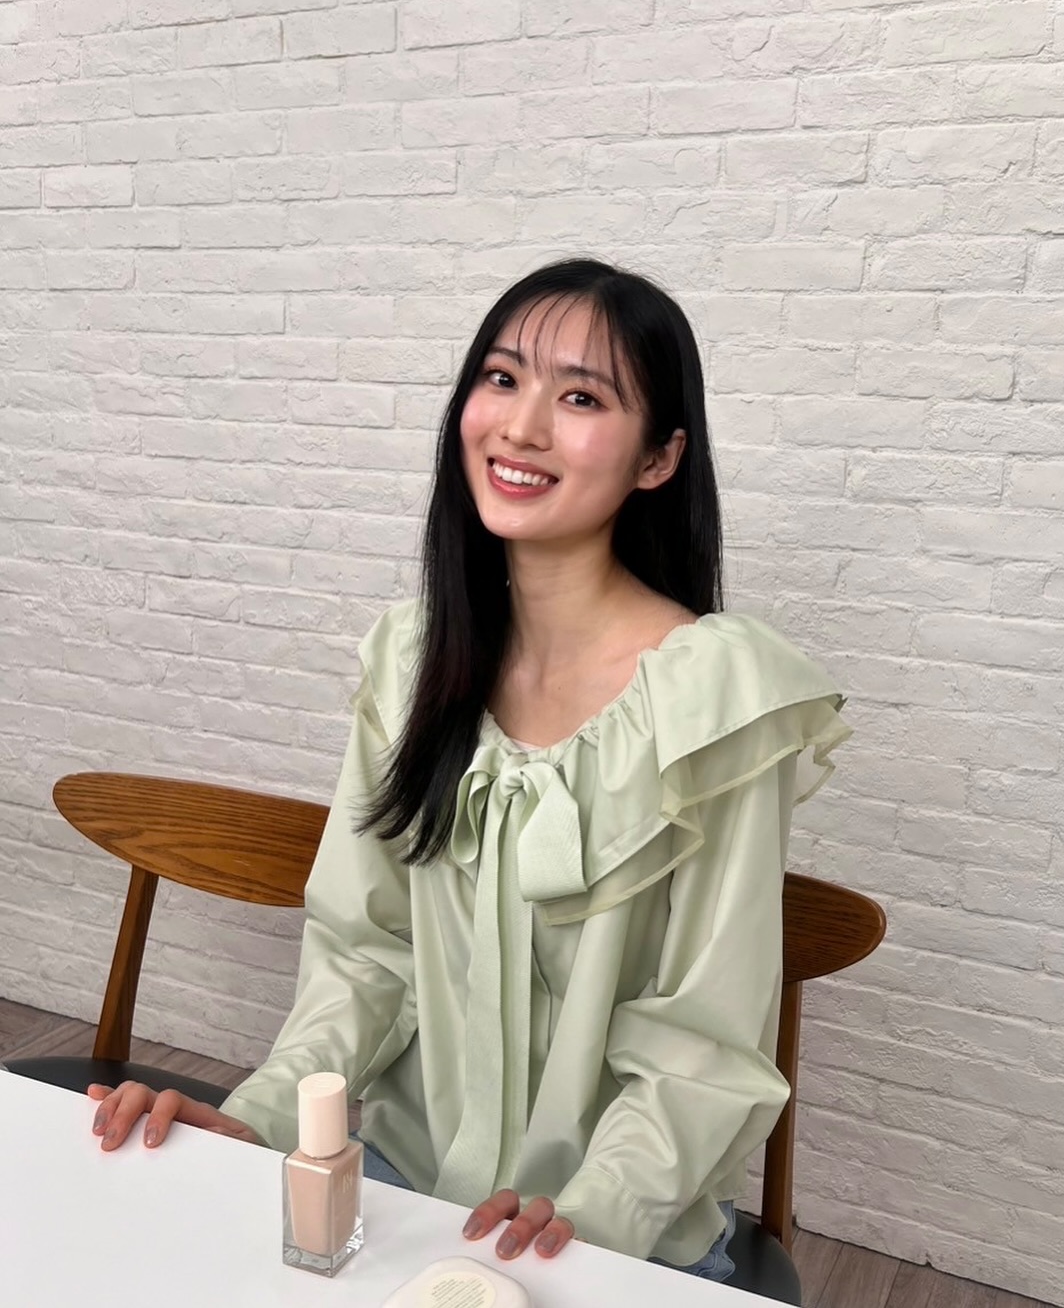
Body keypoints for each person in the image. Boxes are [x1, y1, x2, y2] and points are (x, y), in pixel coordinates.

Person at [88, 258, 849, 1283]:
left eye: (581, 398)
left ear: (659, 457)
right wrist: (259, 1120)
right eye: (501, 378)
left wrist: (582, 1223)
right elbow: (365, 955)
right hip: (399, 1195)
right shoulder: (413, 660)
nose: (520, 427)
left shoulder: (715, 699)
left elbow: (703, 1045)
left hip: (613, 1239)